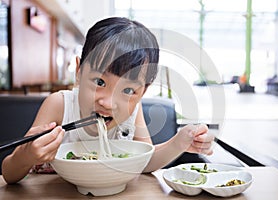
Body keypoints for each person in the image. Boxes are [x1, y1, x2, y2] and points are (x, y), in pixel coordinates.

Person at [2, 17, 214, 184]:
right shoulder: (60, 104)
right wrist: (27, 156)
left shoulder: (133, 110)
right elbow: (9, 174)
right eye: (100, 82)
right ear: (78, 71)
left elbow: (145, 161)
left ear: (142, 92)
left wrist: (179, 142)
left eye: (128, 89)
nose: (109, 102)